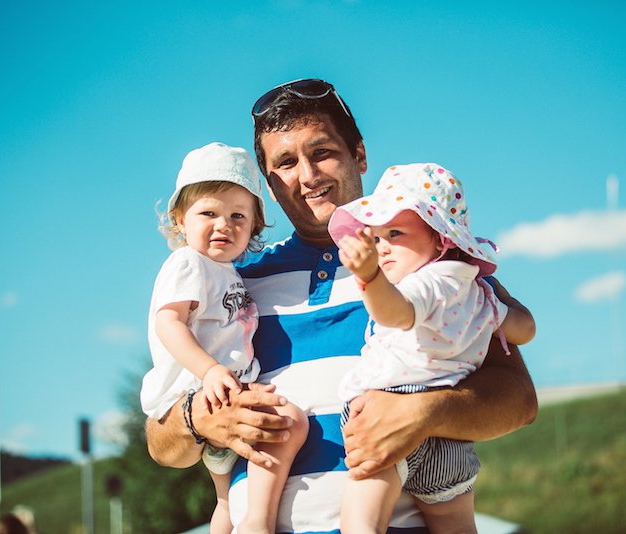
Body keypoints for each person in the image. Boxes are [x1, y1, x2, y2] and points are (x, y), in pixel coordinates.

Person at [145, 78, 538, 533]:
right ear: (269, 186)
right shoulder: (231, 282)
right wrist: (199, 418)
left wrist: (427, 411)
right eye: (286, 163)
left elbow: (518, 399)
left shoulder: (425, 264)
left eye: (323, 152)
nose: (308, 175)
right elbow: (161, 443)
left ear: (359, 155)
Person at [329, 162, 536, 533]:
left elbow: (396, 312)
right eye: (376, 238)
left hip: (389, 410)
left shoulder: (423, 283)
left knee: (361, 522)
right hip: (451, 436)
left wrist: (370, 277)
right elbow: (524, 329)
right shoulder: (479, 293)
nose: (382, 248)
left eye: (395, 233)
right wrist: (501, 300)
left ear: (441, 240)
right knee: (457, 525)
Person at [140, 142, 308, 534]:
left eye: (238, 216)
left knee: (224, 500)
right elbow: (168, 322)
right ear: (180, 219)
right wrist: (210, 370)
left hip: (223, 389)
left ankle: (242, 521)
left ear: (254, 226)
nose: (224, 225)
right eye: (208, 213)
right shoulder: (189, 262)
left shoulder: (228, 271)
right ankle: (259, 521)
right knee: (290, 422)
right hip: (207, 390)